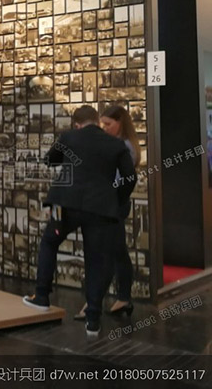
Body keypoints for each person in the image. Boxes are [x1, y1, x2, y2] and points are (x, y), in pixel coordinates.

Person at [23, 105, 136, 338]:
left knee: (49, 242)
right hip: (100, 209)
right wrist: (116, 199)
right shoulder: (115, 145)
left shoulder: (69, 137)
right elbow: (130, 177)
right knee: (96, 258)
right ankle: (93, 319)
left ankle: (41, 296)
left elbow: (50, 160)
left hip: (63, 204)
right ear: (97, 121)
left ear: (77, 124)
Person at [74, 105, 140, 320]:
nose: (104, 128)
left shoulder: (123, 147)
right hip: (114, 203)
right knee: (117, 252)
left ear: (120, 123)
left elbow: (121, 179)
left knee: (106, 255)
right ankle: (123, 298)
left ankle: (93, 304)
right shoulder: (122, 145)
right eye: (102, 124)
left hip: (112, 204)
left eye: (108, 124)